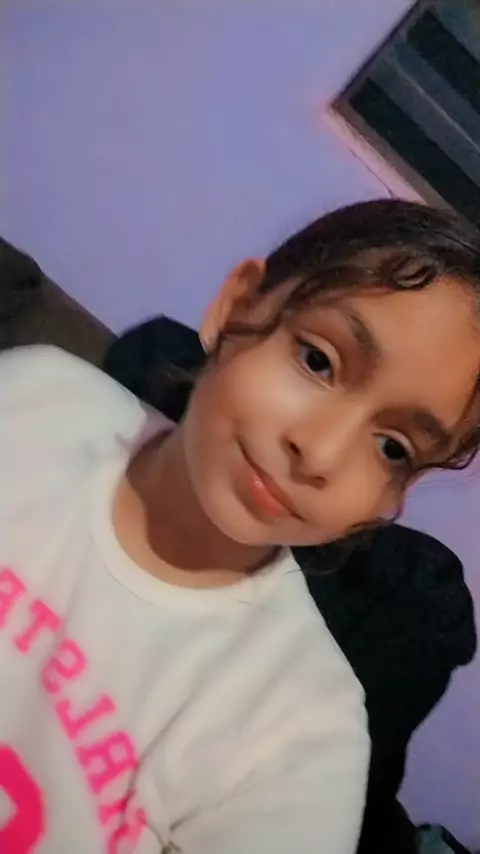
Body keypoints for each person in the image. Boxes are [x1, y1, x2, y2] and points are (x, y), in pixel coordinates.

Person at [0, 200, 479, 854]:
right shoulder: (35, 401)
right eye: (318, 360)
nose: (321, 452)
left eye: (392, 448)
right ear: (234, 307)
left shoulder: (303, 740)